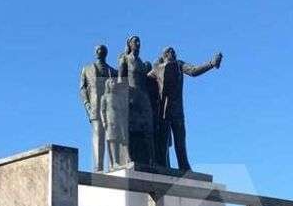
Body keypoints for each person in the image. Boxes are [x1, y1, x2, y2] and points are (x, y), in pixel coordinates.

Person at [147, 46, 222, 170]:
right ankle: (162, 165)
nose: (173, 53)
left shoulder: (179, 65)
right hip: (163, 111)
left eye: (173, 51)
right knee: (163, 141)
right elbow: (144, 80)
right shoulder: (157, 69)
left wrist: (211, 63)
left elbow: (193, 71)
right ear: (165, 55)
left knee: (180, 140)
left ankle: (184, 166)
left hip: (177, 110)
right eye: (169, 51)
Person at [116, 35, 156, 165]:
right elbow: (120, 79)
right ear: (129, 44)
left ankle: (152, 159)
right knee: (129, 127)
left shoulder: (142, 63)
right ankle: (128, 156)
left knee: (149, 128)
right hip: (131, 96)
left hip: (143, 97)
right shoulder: (125, 59)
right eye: (135, 41)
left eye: (139, 41)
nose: (138, 43)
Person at [78, 45, 117, 172]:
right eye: (97, 50)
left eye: (101, 50)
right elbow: (82, 89)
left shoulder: (112, 71)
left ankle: (113, 164)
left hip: (110, 108)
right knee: (98, 136)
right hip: (95, 106)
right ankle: (98, 167)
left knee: (112, 136)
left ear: (105, 53)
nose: (99, 52)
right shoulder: (87, 69)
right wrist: (87, 105)